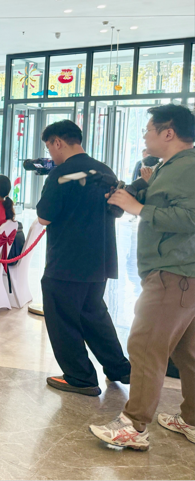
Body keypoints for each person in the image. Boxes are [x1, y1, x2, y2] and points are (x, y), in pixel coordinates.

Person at [90, 104, 195, 450]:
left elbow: (190, 218)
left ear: (169, 133)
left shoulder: (188, 167)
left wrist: (138, 208)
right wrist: (140, 192)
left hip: (173, 273)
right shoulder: (171, 166)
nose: (144, 135)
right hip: (182, 273)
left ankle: (134, 426)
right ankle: (192, 419)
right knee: (187, 353)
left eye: (148, 129)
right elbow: (169, 204)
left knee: (146, 346)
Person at [36, 120, 130, 396]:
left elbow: (44, 217)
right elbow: (117, 210)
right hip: (99, 258)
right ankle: (119, 368)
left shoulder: (61, 174)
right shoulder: (105, 170)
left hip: (67, 260)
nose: (51, 154)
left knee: (62, 318)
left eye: (49, 147)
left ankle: (80, 377)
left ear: (57, 142)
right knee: (93, 314)